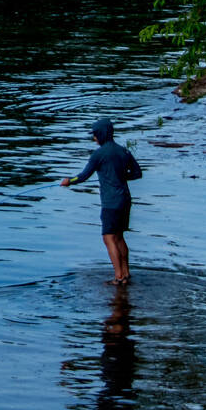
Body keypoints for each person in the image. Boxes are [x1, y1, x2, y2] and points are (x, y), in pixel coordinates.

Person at [60, 117, 143, 284]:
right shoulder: (123, 151)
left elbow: (83, 176)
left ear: (102, 134)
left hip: (111, 202)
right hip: (125, 200)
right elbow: (137, 173)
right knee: (119, 236)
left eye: (96, 135)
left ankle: (118, 277)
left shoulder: (99, 154)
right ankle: (126, 273)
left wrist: (69, 181)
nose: (94, 138)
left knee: (108, 237)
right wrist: (120, 176)